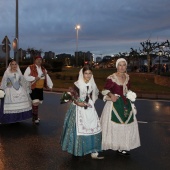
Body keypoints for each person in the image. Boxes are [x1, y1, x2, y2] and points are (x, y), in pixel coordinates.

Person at [60, 66, 103, 159]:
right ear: (82, 74)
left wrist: (108, 97)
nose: (88, 75)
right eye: (86, 73)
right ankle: (77, 149)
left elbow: (97, 94)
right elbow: (73, 96)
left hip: (89, 107)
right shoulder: (77, 84)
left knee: (92, 127)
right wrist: (78, 103)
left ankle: (92, 148)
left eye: (90, 73)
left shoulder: (92, 84)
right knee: (77, 129)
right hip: (78, 108)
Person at [100, 58, 140, 156]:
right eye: (120, 65)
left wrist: (131, 98)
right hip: (114, 104)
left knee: (126, 125)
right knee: (115, 126)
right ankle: (114, 144)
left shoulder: (127, 77)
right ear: (117, 66)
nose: (122, 67)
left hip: (126, 104)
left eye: (124, 65)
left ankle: (123, 146)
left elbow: (128, 90)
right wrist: (111, 95)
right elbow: (104, 90)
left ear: (126, 66)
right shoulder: (112, 78)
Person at [0, 60, 32, 124]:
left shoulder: (19, 72)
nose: (14, 66)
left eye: (15, 64)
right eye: (13, 64)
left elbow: (22, 81)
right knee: (9, 106)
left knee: (20, 105)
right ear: (10, 65)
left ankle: (18, 118)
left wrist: (28, 84)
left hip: (19, 89)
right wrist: (2, 89)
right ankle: (8, 119)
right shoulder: (7, 73)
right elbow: (3, 82)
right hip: (9, 90)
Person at [24, 56, 53, 124]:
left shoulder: (43, 69)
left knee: (37, 103)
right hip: (33, 87)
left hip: (40, 89)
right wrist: (34, 78)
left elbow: (47, 77)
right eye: (37, 60)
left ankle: (35, 116)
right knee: (35, 102)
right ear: (35, 60)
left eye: (40, 60)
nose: (39, 61)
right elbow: (25, 76)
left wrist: (50, 85)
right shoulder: (30, 67)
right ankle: (35, 118)